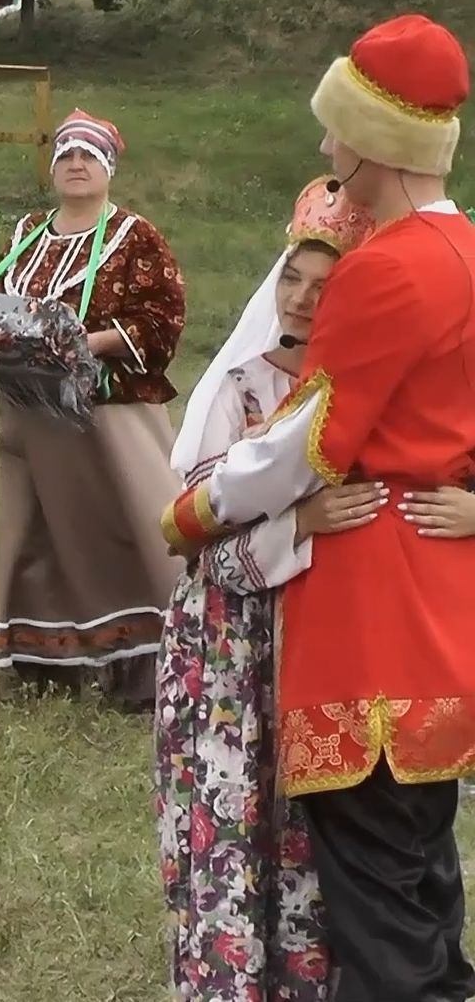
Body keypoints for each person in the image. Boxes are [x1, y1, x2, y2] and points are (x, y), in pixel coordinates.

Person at [161, 14, 475, 1002]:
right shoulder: (468, 250)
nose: (326, 148)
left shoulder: (386, 266)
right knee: (422, 874)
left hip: (370, 620)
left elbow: (311, 439)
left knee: (378, 902)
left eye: (334, 128)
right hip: (443, 614)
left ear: (373, 136)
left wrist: (199, 508)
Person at [156, 176, 379, 1001]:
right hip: (228, 653)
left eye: (327, 286)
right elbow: (196, 546)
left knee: (309, 840)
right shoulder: (241, 387)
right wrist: (301, 525)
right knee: (229, 832)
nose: (304, 298)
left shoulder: (364, 397)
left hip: (325, 651)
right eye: (293, 278)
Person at [0, 109, 187, 711]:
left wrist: (83, 344)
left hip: (108, 414)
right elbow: (2, 308)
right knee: (29, 527)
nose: (76, 164)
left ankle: (151, 664)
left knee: (125, 525)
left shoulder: (134, 236)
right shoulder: (28, 232)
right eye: (66, 154)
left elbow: (161, 319)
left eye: (89, 155)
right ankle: (32, 659)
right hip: (29, 408)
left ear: (109, 168)